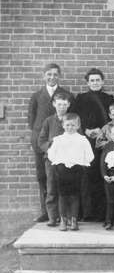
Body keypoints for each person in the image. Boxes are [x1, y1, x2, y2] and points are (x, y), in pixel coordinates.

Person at [28, 63, 75, 223]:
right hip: (43, 144)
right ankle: (46, 213)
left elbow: (73, 120)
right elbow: (31, 120)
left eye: (55, 74)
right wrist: (42, 142)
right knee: (43, 177)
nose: (52, 77)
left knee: (62, 179)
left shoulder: (67, 95)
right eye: (49, 74)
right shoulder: (36, 95)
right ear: (44, 76)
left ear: (59, 76)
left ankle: (65, 214)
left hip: (63, 148)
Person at [75, 68, 114, 221]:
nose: (95, 83)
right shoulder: (80, 98)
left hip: (103, 141)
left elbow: (112, 119)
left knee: (101, 174)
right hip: (85, 141)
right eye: (92, 80)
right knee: (86, 176)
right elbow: (76, 118)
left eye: (98, 80)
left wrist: (101, 131)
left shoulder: (108, 98)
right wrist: (85, 130)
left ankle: (101, 213)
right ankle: (87, 213)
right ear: (87, 83)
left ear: (102, 82)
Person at [47, 113, 94, 231]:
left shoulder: (82, 140)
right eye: (67, 125)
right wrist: (60, 162)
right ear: (63, 125)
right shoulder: (58, 140)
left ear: (78, 126)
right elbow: (51, 154)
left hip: (77, 170)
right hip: (61, 170)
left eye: (73, 125)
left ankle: (74, 220)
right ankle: (63, 220)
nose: (70, 128)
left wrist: (80, 163)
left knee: (75, 196)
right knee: (62, 196)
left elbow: (90, 156)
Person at [38, 93, 71, 226]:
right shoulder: (48, 121)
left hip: (68, 160)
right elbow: (41, 140)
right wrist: (50, 146)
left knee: (67, 189)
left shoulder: (72, 120)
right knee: (51, 188)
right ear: (54, 104)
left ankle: (67, 217)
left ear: (69, 105)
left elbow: (78, 137)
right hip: (51, 160)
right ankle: (52, 217)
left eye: (64, 104)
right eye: (59, 104)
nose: (61, 107)